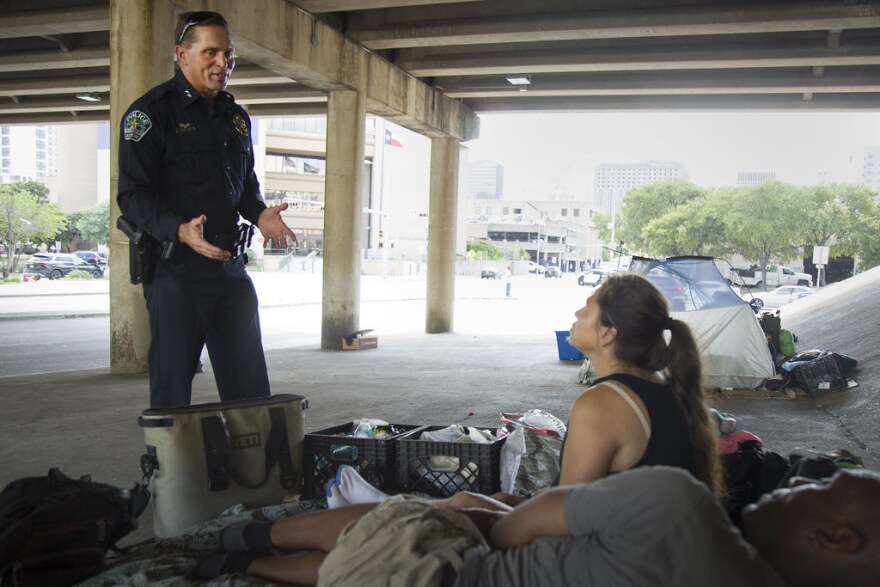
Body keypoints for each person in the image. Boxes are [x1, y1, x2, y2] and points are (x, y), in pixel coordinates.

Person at [195, 466, 880, 586]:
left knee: (417, 517)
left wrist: (476, 508)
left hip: (464, 578)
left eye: (821, 486)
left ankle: (248, 548)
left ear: (836, 538)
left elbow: (517, 527)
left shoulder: (682, 503)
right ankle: (243, 561)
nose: (798, 481)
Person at [117, 11, 297, 407]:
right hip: (177, 273)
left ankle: (253, 469)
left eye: (229, 54)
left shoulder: (235, 117)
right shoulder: (150, 115)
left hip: (230, 269)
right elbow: (132, 195)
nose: (223, 63)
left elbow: (245, 187)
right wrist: (178, 229)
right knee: (172, 390)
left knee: (251, 393)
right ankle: (173, 470)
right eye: (211, 52)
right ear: (182, 54)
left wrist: (259, 213)